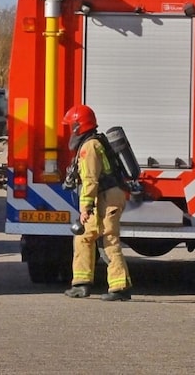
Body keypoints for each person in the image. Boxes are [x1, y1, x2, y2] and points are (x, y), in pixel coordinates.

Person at [62, 104, 132, 301]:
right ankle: (81, 283)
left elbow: (90, 180)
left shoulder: (89, 147)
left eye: (71, 126)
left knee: (108, 240)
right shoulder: (92, 143)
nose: (70, 131)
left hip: (107, 198)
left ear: (78, 126)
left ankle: (120, 288)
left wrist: (85, 208)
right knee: (83, 236)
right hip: (105, 197)